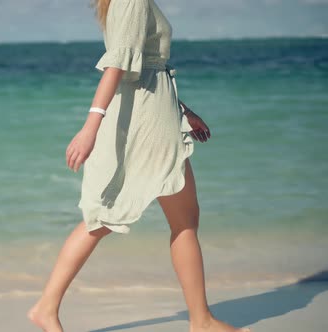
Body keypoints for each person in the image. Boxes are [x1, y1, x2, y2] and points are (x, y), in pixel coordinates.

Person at [27, 0, 251, 331]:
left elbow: (143, 68)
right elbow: (117, 66)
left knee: (174, 219)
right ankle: (200, 322)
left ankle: (201, 319)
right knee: (115, 218)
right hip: (145, 124)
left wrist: (183, 109)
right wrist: (91, 127)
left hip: (153, 115)